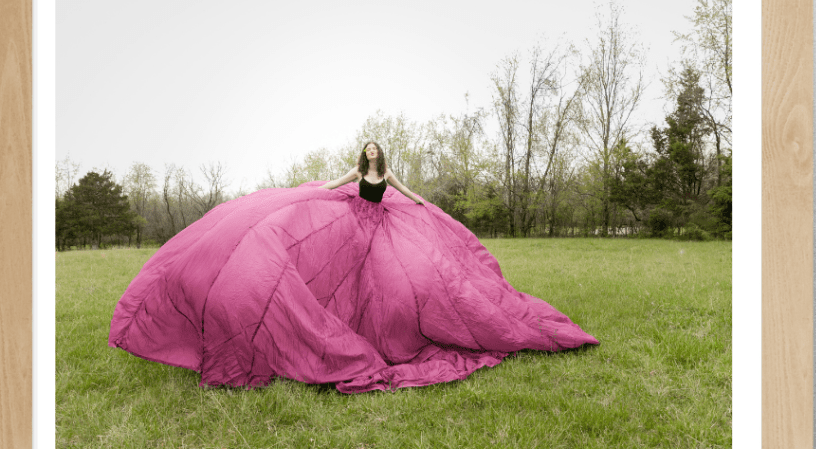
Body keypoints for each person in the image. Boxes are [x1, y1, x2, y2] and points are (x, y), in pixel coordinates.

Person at [109, 140, 598, 393]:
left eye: (373, 151)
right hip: (353, 218)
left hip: (378, 224)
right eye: (365, 151)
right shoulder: (355, 174)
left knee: (396, 285)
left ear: (380, 156)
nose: (369, 155)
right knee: (333, 275)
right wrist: (299, 195)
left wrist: (424, 205)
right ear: (361, 155)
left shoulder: (386, 176)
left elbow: (404, 192)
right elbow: (330, 187)